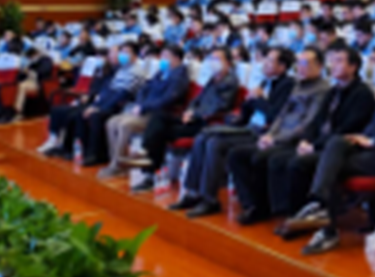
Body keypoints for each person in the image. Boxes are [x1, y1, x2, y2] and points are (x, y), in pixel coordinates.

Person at [284, 40, 375, 256]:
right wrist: (363, 136)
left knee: (332, 164)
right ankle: (321, 209)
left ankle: (325, 222)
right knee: (337, 143)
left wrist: (374, 141)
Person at [169, 47, 295, 213]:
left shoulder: (287, 85)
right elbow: (247, 111)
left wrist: (258, 99)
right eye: (266, 59)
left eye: (271, 60)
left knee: (214, 142)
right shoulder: (265, 82)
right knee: (202, 137)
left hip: (263, 132)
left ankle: (209, 199)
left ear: (282, 66)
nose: (265, 63)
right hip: (247, 126)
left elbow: (274, 115)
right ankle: (193, 192)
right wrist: (245, 107)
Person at [266, 44, 375, 220]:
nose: (333, 66)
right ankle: (282, 211)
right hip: (322, 143)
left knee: (297, 163)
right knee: (278, 159)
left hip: (340, 149)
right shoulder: (334, 91)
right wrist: (306, 140)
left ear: (353, 67)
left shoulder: (362, 94)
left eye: (339, 61)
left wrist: (314, 145)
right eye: (332, 61)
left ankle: (303, 214)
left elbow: (347, 129)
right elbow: (317, 121)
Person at [224, 48, 330, 223]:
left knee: (261, 157)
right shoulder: (298, 85)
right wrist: (270, 135)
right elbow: (281, 115)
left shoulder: (323, 90)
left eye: (305, 63)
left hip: (295, 140)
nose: (300, 68)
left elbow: (308, 123)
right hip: (278, 136)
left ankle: (264, 206)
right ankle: (250, 203)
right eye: (299, 64)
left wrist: (276, 139)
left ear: (319, 66)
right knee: (236, 154)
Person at [135, 47, 239, 191]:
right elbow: (198, 99)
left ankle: (149, 172)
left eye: (217, 59)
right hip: (192, 116)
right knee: (158, 118)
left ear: (227, 62)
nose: (212, 62)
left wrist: (194, 115)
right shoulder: (213, 79)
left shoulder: (229, 82)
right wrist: (189, 110)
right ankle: (147, 156)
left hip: (205, 122)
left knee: (159, 131)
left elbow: (219, 106)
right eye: (211, 59)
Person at [41, 44, 145, 165]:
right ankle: (77, 150)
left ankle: (95, 154)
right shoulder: (122, 70)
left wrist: (99, 108)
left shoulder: (136, 71)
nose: (122, 55)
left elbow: (122, 94)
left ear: (135, 55)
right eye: (121, 52)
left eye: (126, 52)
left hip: (121, 106)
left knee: (93, 116)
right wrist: (96, 105)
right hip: (106, 102)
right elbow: (108, 91)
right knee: (78, 114)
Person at [98, 45, 189, 179]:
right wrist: (140, 104)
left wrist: (144, 107)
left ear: (176, 59)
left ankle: (118, 165)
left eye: (166, 56)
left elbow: (167, 99)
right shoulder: (161, 72)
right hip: (144, 109)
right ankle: (115, 161)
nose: (162, 59)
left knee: (124, 125)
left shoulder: (179, 77)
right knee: (111, 122)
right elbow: (144, 88)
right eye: (162, 56)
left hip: (158, 114)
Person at [11, 47, 54, 121]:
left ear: (36, 54)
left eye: (31, 57)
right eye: (29, 58)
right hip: (29, 82)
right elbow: (21, 76)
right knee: (18, 85)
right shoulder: (32, 63)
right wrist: (23, 71)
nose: (30, 59)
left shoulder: (46, 60)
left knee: (22, 86)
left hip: (40, 83)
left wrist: (30, 72)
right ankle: (15, 109)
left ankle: (18, 111)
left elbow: (43, 72)